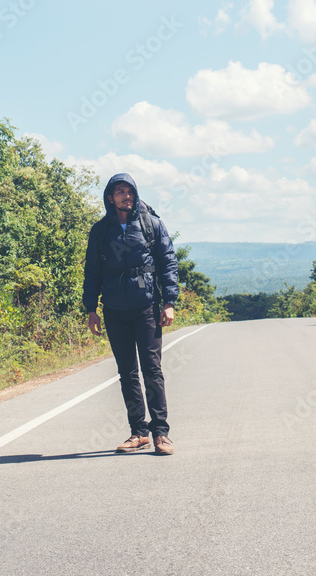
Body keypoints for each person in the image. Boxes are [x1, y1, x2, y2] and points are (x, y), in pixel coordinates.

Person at [83, 173, 179, 455]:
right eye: (120, 192)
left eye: (130, 191)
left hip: (146, 307)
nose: (126, 196)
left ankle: (161, 433)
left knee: (152, 370)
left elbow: (168, 263)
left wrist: (169, 301)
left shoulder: (151, 225)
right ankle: (139, 432)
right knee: (127, 373)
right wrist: (92, 309)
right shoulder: (100, 232)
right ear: (110, 198)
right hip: (114, 310)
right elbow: (92, 272)